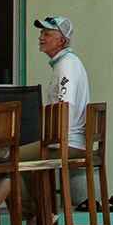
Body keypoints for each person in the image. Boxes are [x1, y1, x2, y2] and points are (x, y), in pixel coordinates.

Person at [33, 14, 92, 143]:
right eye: (41, 33)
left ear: (62, 41)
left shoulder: (66, 65)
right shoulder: (67, 62)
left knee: (12, 158)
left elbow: (66, 106)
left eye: (47, 34)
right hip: (67, 141)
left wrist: (56, 143)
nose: (40, 37)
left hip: (66, 144)